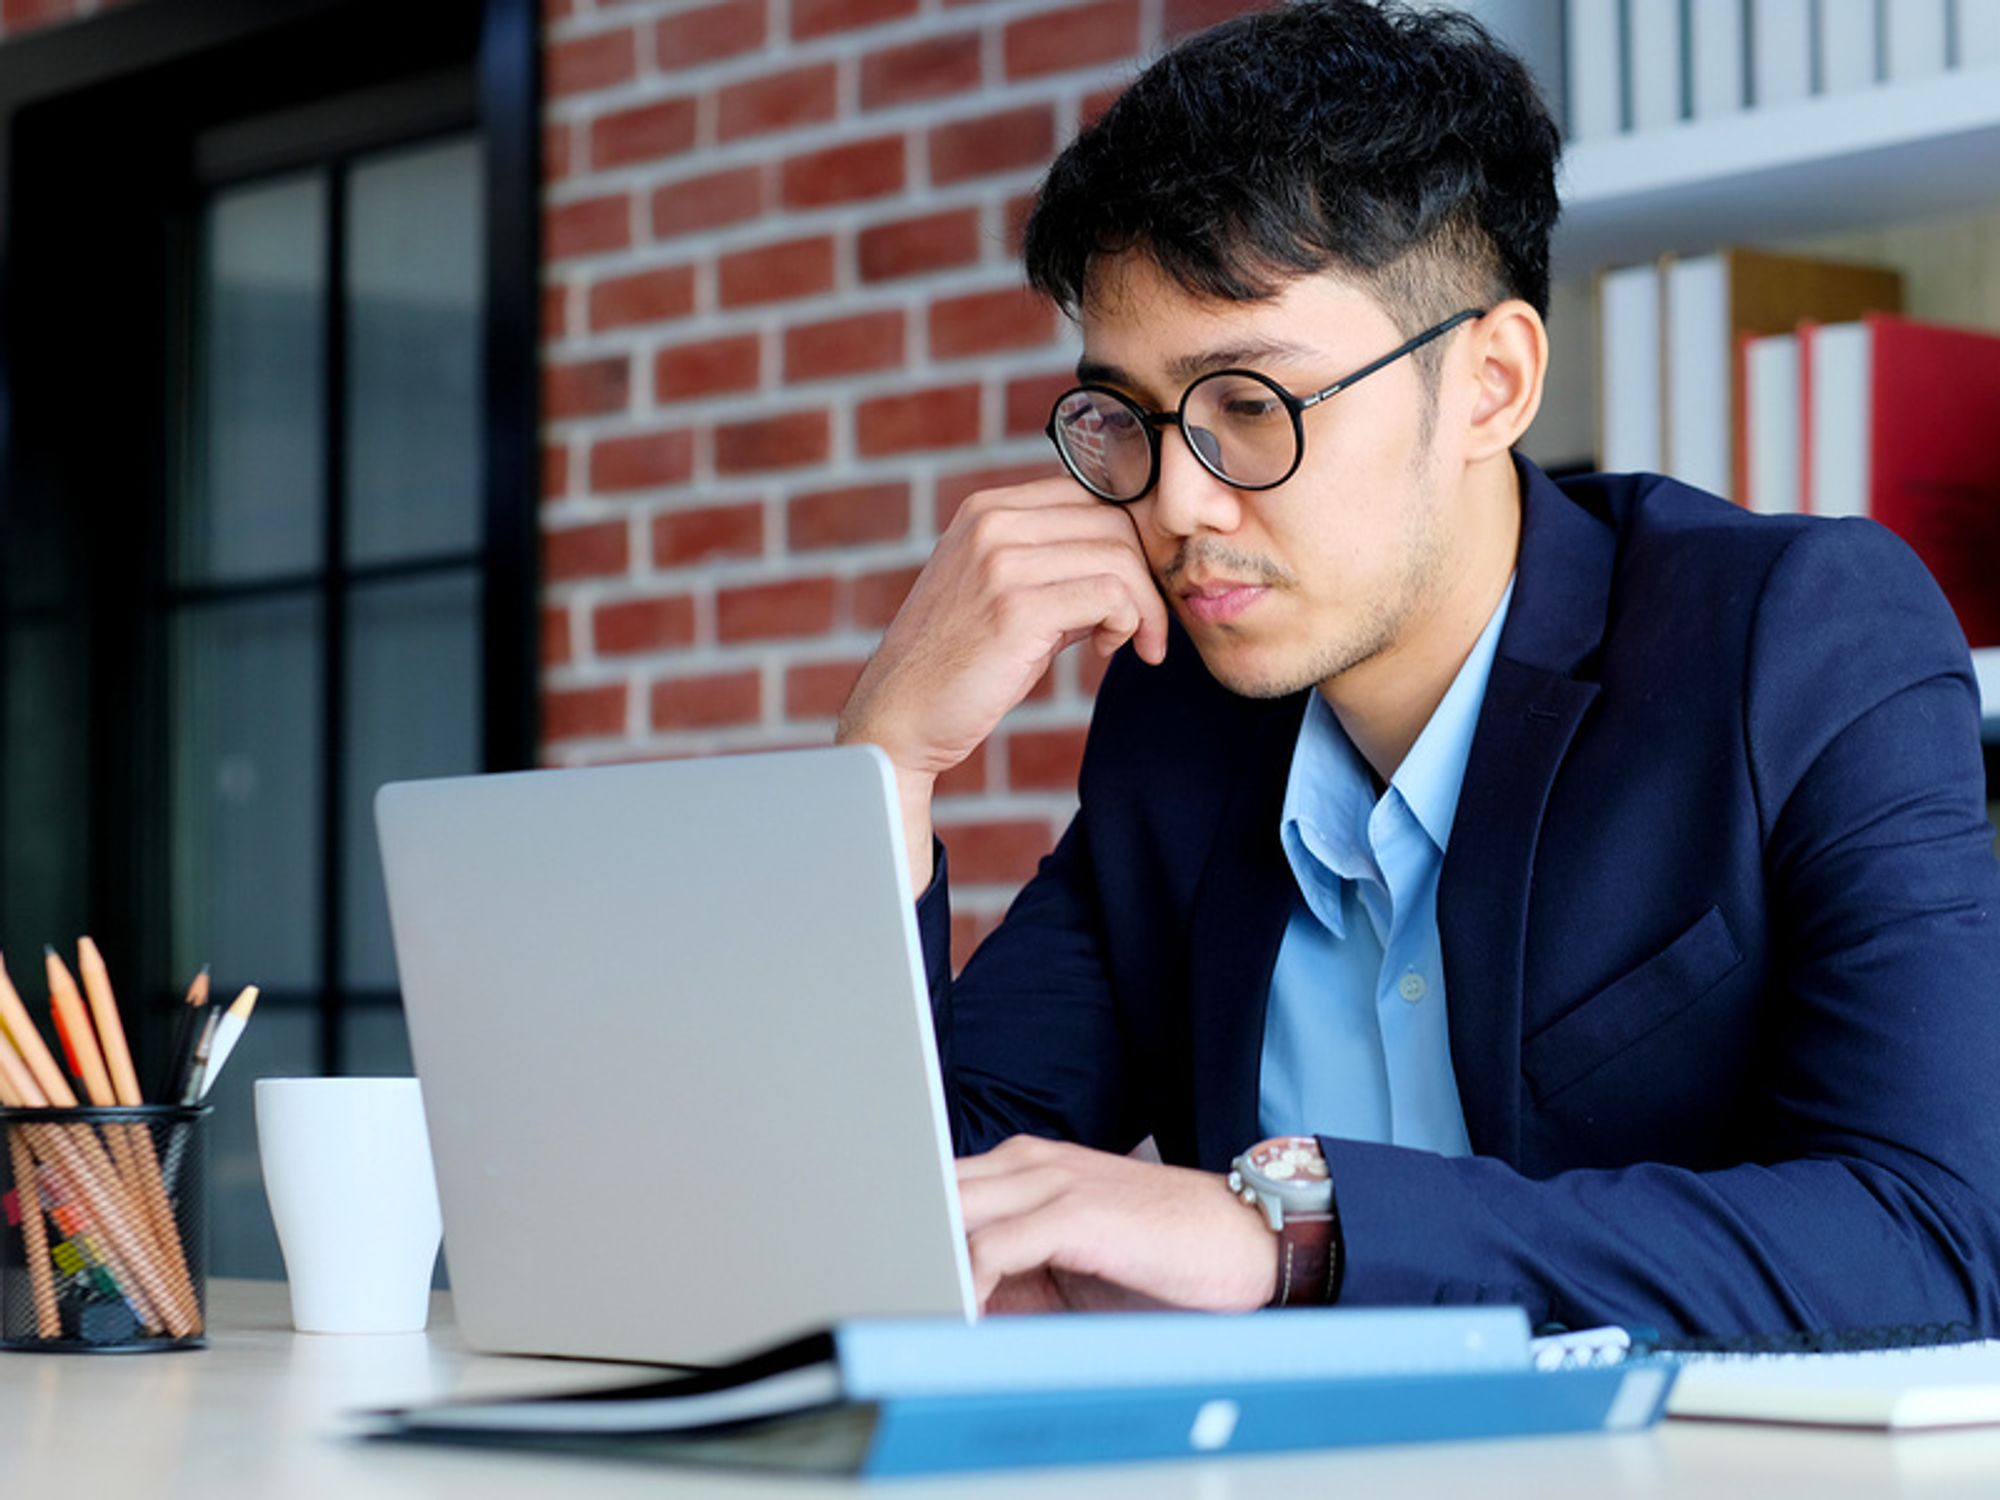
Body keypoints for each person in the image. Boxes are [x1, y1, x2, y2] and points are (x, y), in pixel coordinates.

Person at [836, 0, 2000, 1338]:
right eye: (1127, 418)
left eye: (1249, 407)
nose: (1174, 508)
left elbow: (1936, 1237)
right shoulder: (1184, 716)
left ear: (1492, 383)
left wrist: (1303, 1234)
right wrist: (887, 771)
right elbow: (938, 1204)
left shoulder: (1795, 639)